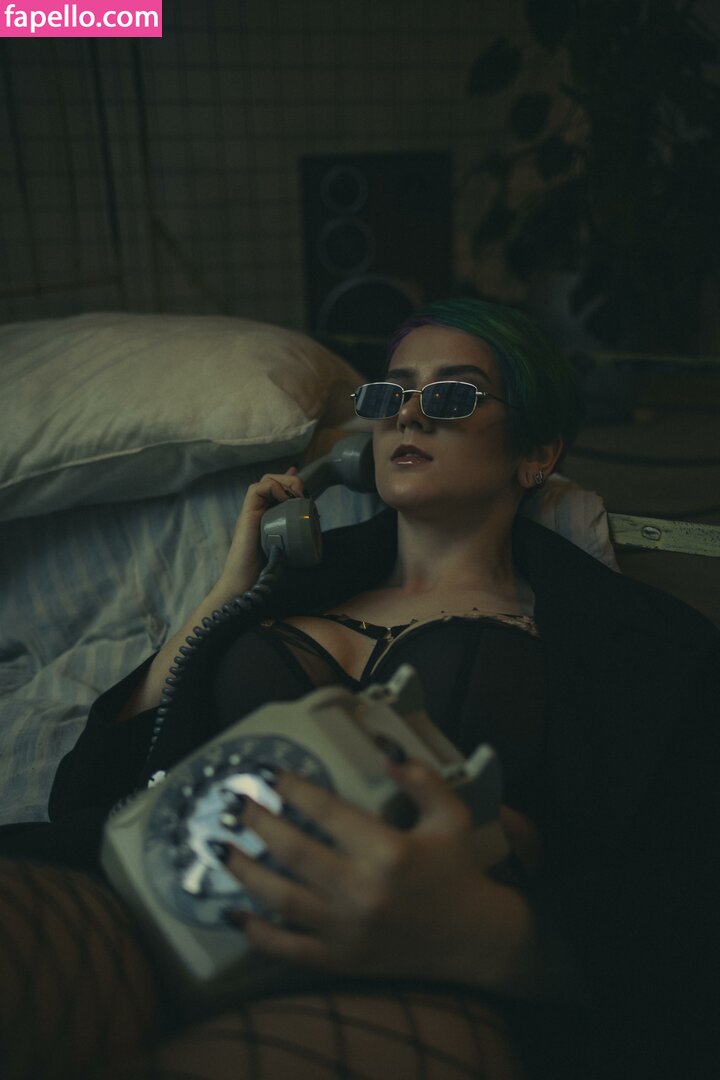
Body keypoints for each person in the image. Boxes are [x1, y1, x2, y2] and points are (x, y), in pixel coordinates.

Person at [0, 298, 717, 1080]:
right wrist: (226, 596)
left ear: (537, 454)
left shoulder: (627, 640)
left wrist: (495, 928)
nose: (409, 413)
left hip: (416, 964)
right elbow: (90, 790)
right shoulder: (286, 587)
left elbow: (678, 882)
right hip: (177, 898)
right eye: (391, 392)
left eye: (453, 394)